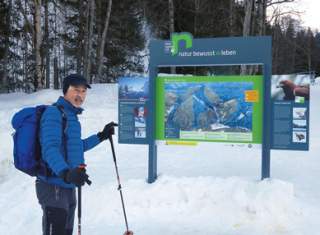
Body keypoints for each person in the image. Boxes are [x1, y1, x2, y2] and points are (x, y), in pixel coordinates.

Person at [36, 74, 117, 235]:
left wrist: (101, 136)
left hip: (69, 185)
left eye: (83, 91)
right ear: (66, 90)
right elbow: (49, 148)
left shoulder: (71, 116)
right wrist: (66, 173)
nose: (80, 95)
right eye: (76, 90)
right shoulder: (54, 113)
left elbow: (76, 147)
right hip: (54, 185)